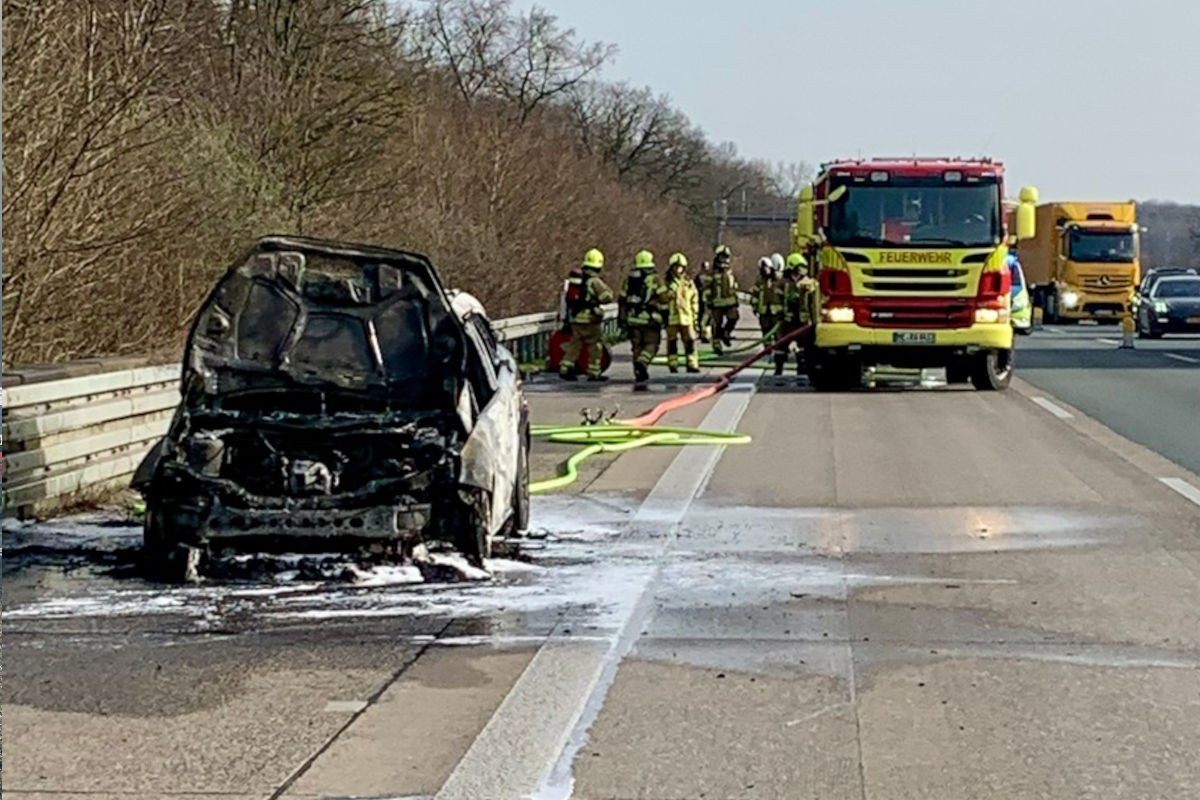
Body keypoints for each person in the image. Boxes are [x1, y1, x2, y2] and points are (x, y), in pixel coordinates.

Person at [560, 248, 615, 382]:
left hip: (576, 318)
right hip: (590, 319)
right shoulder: (594, 281)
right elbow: (607, 297)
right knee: (595, 346)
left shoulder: (576, 279)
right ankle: (593, 373)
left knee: (575, 345)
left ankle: (565, 368)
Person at [619, 249, 668, 390]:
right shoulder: (655, 279)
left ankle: (639, 373)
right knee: (652, 344)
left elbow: (622, 299)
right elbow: (664, 299)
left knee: (636, 347)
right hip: (649, 320)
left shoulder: (629, 280)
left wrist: (622, 318)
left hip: (632, 319)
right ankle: (643, 362)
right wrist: (665, 316)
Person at [775, 252, 816, 377]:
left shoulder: (809, 283)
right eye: (799, 267)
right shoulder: (783, 283)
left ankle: (802, 369)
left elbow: (814, 303)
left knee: (803, 347)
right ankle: (779, 369)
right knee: (781, 346)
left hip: (803, 322)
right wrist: (780, 313)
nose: (801, 271)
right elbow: (777, 300)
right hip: (786, 321)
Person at [664, 252, 701, 374]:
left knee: (690, 341)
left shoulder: (688, 283)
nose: (678, 270)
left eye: (680, 267)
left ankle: (692, 364)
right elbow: (662, 298)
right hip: (672, 318)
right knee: (672, 342)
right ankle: (673, 364)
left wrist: (695, 316)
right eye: (676, 267)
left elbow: (694, 299)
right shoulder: (667, 283)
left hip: (687, 318)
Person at [706, 244, 739, 353]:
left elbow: (733, 286)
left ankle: (726, 334)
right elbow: (707, 287)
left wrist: (736, 299)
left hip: (730, 302)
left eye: (726, 257)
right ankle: (716, 345)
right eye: (722, 257)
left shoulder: (730, 271)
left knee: (733, 317)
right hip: (716, 303)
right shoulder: (712, 272)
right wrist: (708, 301)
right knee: (716, 324)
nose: (724, 260)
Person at [751, 257, 783, 343]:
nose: (765, 269)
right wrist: (754, 307)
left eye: (766, 267)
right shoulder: (760, 281)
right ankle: (767, 350)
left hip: (777, 313)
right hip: (764, 312)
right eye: (763, 267)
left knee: (778, 333)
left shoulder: (779, 281)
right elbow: (755, 296)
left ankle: (778, 350)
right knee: (766, 332)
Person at [695, 260, 712, 342]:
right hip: (701, 300)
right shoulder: (699, 277)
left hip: (707, 300)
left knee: (706, 318)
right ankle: (703, 334)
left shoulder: (710, 277)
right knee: (703, 318)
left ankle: (705, 334)